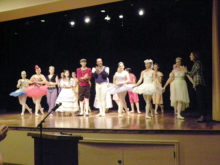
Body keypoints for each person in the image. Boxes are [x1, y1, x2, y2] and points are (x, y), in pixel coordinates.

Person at [185, 51, 207, 122]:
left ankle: (202, 116)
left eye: (191, 55)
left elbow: (192, 73)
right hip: (197, 84)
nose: (190, 56)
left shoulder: (198, 63)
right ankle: (202, 116)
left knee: (200, 100)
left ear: (195, 56)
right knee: (199, 100)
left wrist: (185, 71)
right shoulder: (195, 63)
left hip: (199, 83)